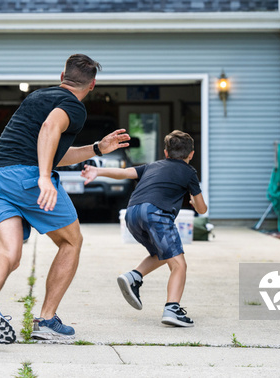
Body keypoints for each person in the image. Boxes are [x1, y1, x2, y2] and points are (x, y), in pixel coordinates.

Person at [0, 54, 130, 344]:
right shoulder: (73, 106)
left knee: (8, 254)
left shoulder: (36, 97)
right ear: (92, 85)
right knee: (71, 241)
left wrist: (97, 148)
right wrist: (44, 176)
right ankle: (46, 321)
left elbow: (54, 149)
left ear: (61, 76)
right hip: (26, 179)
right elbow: (50, 130)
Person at [80, 130, 207, 327]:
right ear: (191, 154)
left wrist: (98, 171)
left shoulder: (152, 166)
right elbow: (201, 208)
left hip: (132, 213)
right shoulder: (189, 172)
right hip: (156, 214)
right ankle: (172, 309)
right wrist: (192, 199)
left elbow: (125, 172)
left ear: (165, 153)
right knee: (179, 264)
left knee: (162, 253)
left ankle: (133, 276)